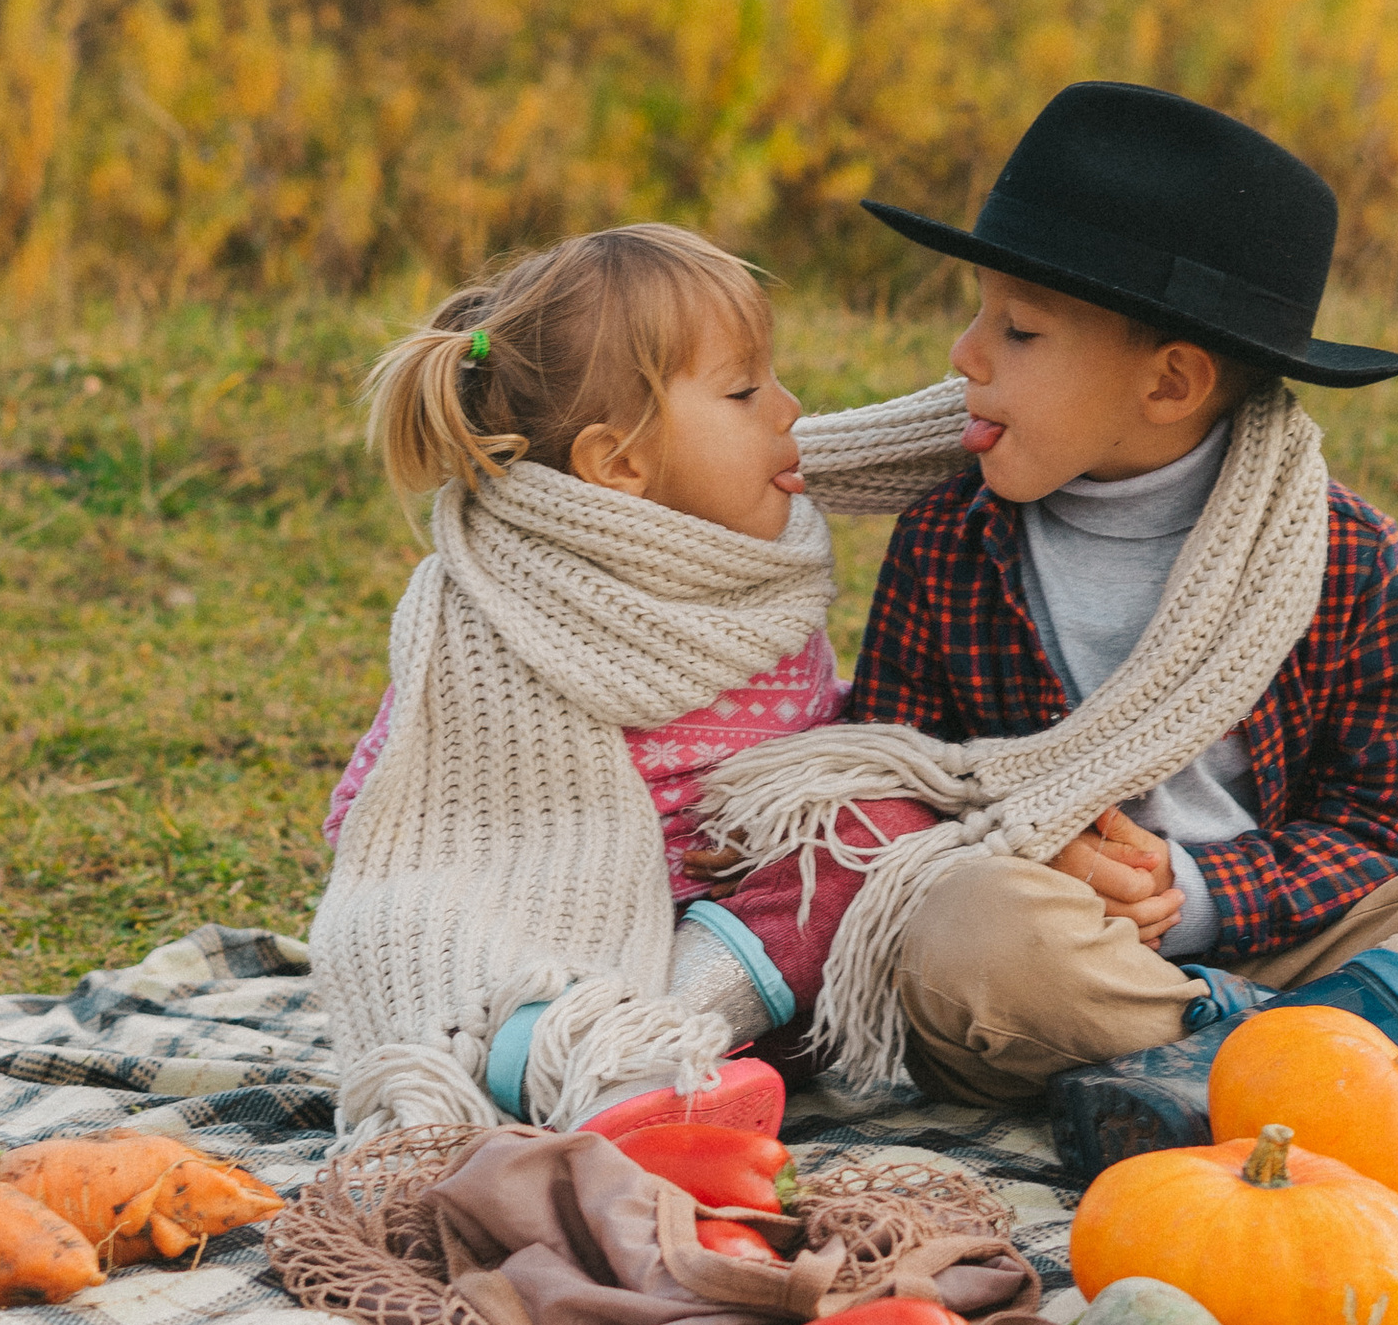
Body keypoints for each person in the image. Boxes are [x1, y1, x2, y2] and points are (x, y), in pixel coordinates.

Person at [690, 85, 1398, 1180]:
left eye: (1018, 329)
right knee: (965, 933)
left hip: (1299, 932)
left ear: (1171, 381)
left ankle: (1239, 1067)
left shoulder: (1341, 550)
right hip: (1076, 951)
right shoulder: (951, 535)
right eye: (975, 314)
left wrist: (1200, 893)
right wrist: (1027, 837)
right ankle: (1371, 1065)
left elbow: (1385, 830)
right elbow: (891, 773)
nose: (964, 353)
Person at [309, 225, 968, 1140]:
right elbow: (387, 805)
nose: (789, 408)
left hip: (748, 969)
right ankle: (597, 1067)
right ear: (617, 463)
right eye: (744, 391)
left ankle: (654, 1052)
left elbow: (811, 746)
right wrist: (499, 873)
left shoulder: (758, 579)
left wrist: (787, 823)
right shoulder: (493, 609)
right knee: (480, 992)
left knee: (879, 827)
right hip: (558, 955)